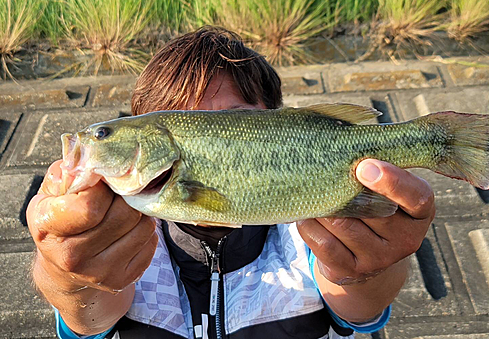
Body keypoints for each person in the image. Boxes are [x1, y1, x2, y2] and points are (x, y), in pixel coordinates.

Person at [27, 27, 435, 339]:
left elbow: (361, 304)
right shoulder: (128, 244)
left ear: (277, 117)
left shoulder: (304, 234)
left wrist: (368, 271)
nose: (207, 129)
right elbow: (88, 311)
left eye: (232, 120)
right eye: (186, 119)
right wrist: (67, 276)